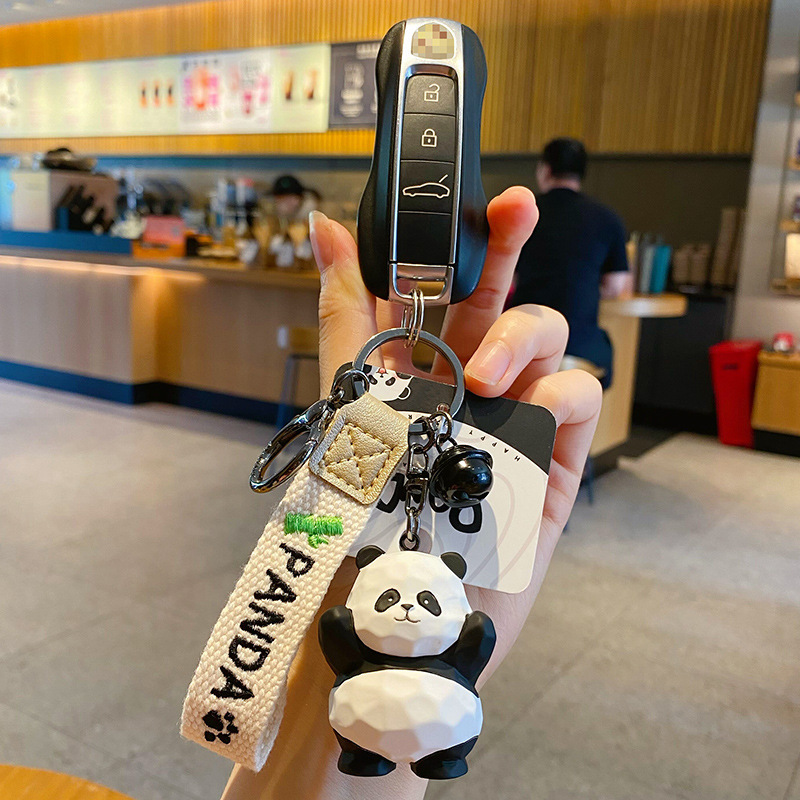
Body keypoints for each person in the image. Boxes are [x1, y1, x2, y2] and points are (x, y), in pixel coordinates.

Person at [220, 186, 602, 800]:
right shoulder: (362, 595)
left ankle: (430, 756)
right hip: (355, 699)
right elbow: (342, 636)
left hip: (422, 707)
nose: (405, 611)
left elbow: (469, 642)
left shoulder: (453, 595)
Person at [508, 138, 632, 388]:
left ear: (545, 169)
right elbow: (616, 286)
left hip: (524, 342)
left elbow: (506, 276)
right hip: (581, 348)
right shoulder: (607, 218)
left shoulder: (523, 213)